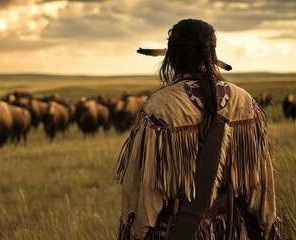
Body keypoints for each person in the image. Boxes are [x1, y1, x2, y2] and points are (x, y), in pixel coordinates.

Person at [116, 19, 280, 240]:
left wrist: (134, 233)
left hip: (176, 230)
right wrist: (268, 229)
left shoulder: (160, 108)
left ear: (172, 57)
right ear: (212, 54)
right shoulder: (245, 102)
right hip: (231, 228)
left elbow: (144, 192)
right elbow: (262, 187)